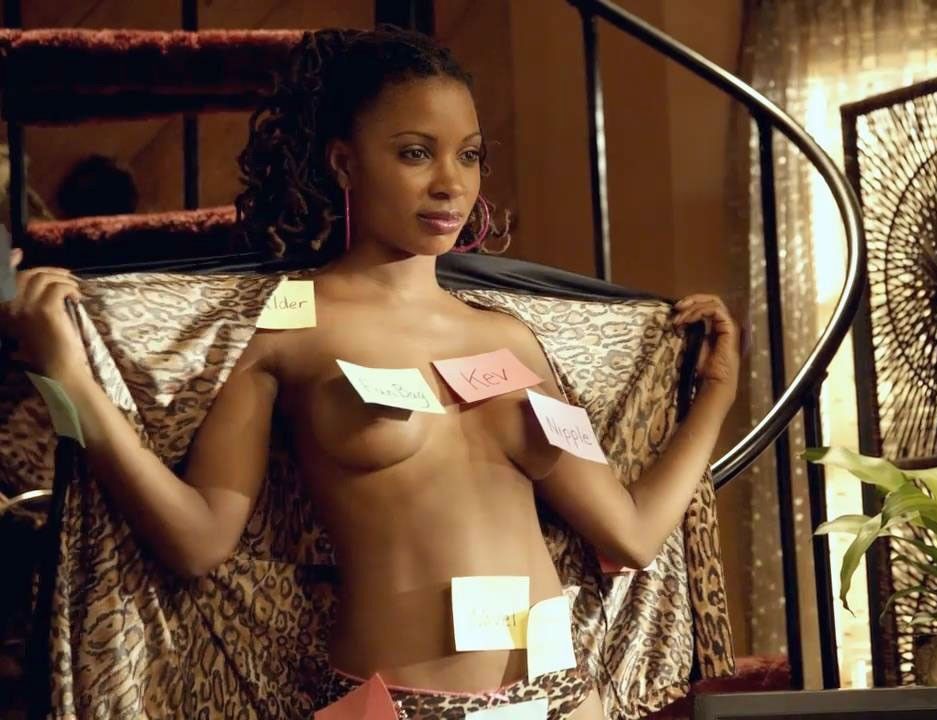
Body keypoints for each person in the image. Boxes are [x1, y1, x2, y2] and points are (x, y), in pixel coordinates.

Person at [0, 27, 739, 720]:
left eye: (469, 155)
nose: (451, 184)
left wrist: (715, 396)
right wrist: (70, 381)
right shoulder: (290, 330)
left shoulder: (511, 337)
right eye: (416, 153)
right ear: (344, 162)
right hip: (399, 705)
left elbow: (631, 534)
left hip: (566, 699)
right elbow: (197, 542)